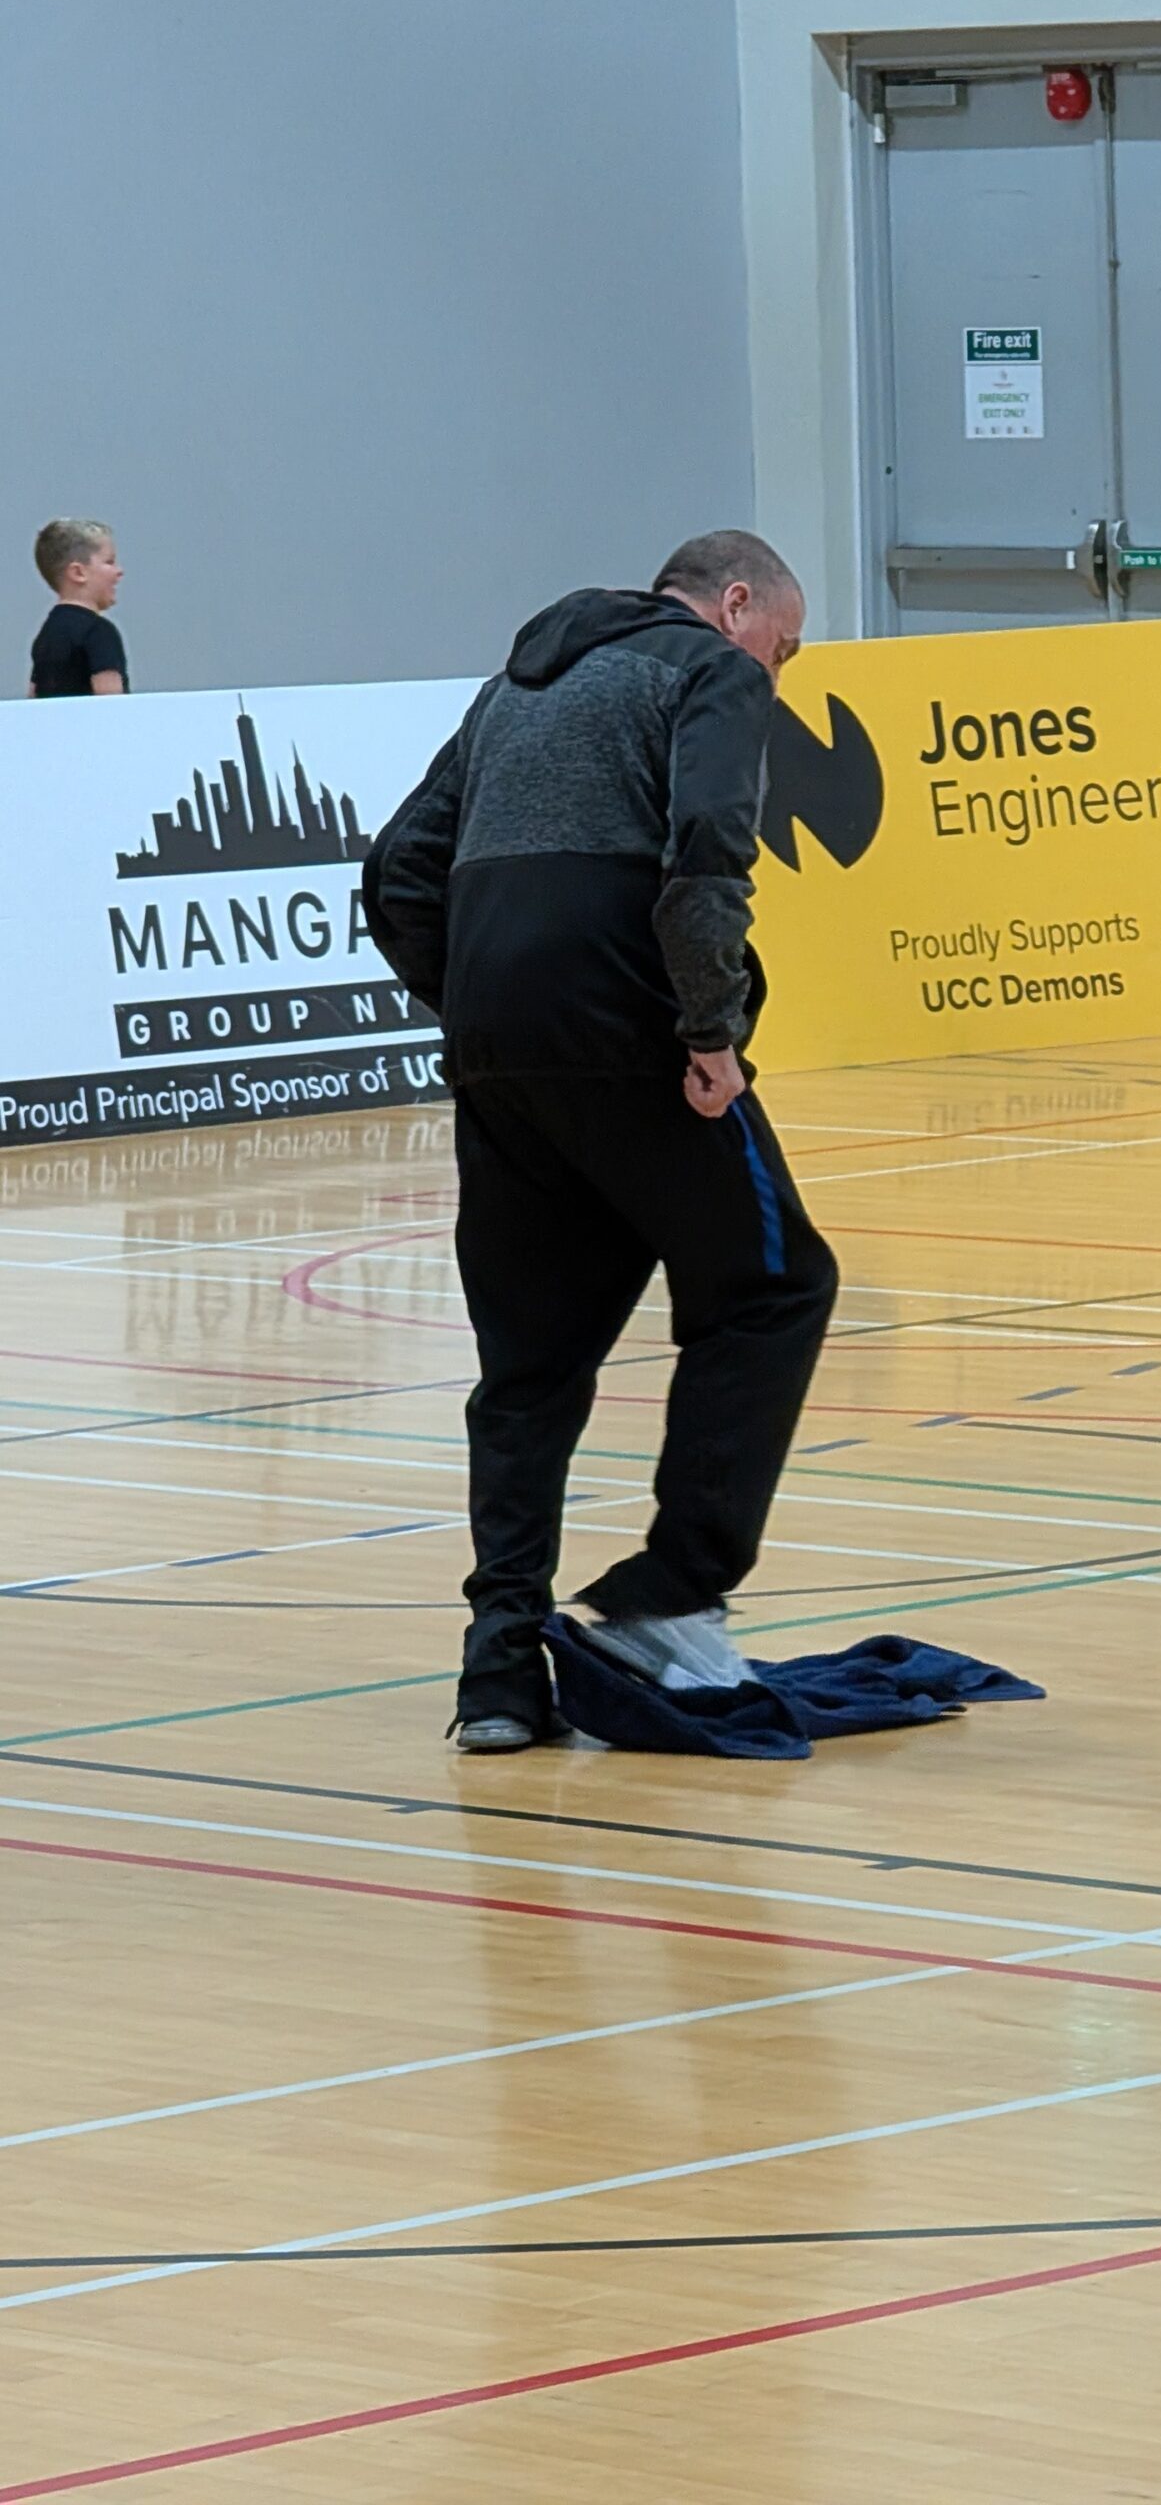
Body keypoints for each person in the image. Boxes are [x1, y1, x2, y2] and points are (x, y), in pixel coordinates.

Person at [366, 530, 840, 1753]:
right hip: (633, 1029)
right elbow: (706, 859)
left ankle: (498, 1677)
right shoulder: (709, 672)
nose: (776, 677)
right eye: (782, 650)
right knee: (777, 1283)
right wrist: (708, 1027)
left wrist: (482, 1004)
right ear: (737, 606)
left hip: (496, 1042)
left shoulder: (515, 685)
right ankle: (669, 1593)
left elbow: (399, 871)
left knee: (529, 1369)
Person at [29, 519, 128, 696]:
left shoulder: (47, 634)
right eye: (109, 562)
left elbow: (33, 696)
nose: (119, 571)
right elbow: (111, 703)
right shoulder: (99, 632)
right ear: (78, 573)